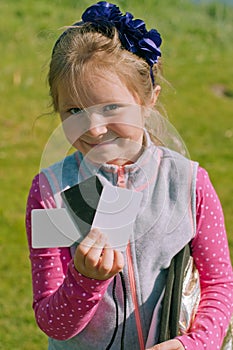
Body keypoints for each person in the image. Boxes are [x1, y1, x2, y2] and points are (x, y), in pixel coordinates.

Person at [25, 2, 233, 349]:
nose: (93, 128)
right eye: (74, 110)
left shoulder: (188, 184)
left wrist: (194, 343)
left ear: (149, 99)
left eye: (110, 107)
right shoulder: (51, 193)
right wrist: (85, 280)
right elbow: (52, 322)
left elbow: (219, 285)